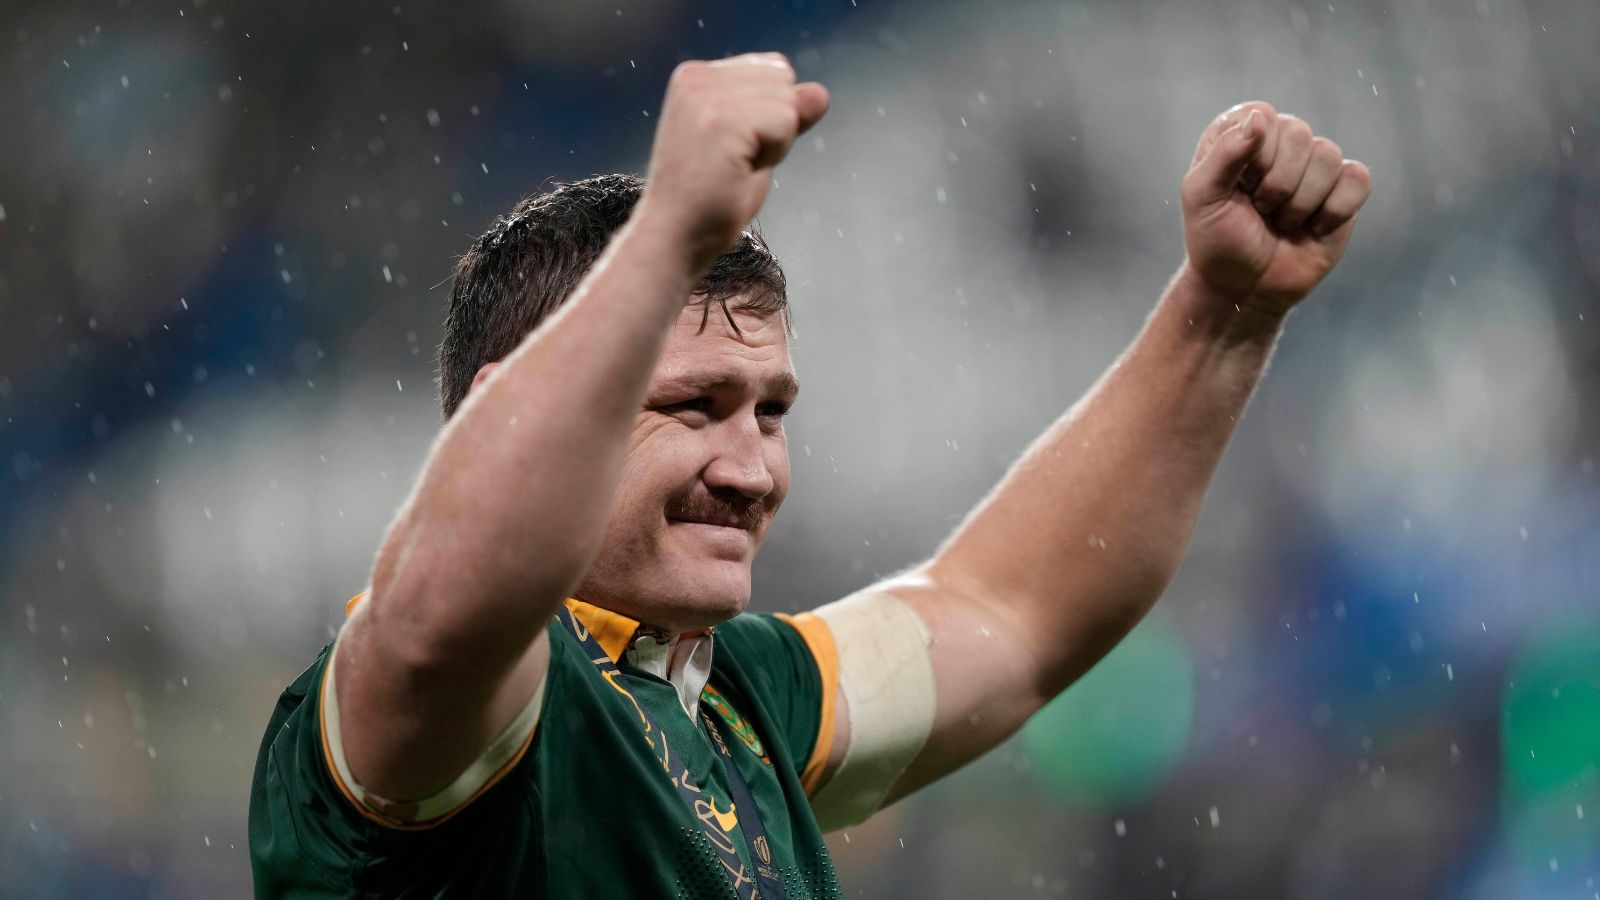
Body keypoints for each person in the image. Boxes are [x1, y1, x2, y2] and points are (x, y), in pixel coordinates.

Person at [248, 51, 1371, 898]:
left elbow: (1013, 612)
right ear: (505, 407)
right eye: (692, 406)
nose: (752, 471)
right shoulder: (427, 705)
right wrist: (665, 235)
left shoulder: (733, 696)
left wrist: (1225, 312)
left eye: (770, 413)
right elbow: (443, 616)